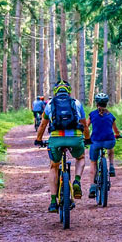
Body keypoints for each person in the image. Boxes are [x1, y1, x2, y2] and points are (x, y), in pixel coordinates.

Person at [35, 80, 91, 213]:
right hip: (75, 139)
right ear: (69, 91)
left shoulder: (49, 104)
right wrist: (87, 138)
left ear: (55, 92)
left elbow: (43, 125)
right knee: (81, 157)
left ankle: (53, 202)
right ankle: (77, 181)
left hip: (56, 139)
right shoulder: (76, 103)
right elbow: (83, 124)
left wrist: (38, 139)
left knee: (54, 166)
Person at [86, 93, 121, 198]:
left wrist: (85, 138)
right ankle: (111, 165)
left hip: (95, 142)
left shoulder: (92, 114)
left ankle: (92, 186)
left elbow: (86, 127)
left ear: (96, 103)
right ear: (106, 103)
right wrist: (118, 135)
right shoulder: (110, 116)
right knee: (111, 146)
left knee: (93, 162)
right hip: (109, 141)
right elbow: (115, 130)